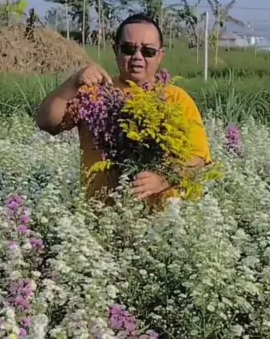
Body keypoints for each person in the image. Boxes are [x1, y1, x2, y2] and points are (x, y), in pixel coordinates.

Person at [36, 13, 211, 203]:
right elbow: (47, 122)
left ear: (160, 55)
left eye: (148, 51)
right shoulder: (94, 95)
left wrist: (163, 179)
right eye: (128, 49)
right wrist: (73, 82)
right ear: (115, 50)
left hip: (163, 216)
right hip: (101, 214)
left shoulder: (176, 99)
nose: (137, 57)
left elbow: (197, 158)